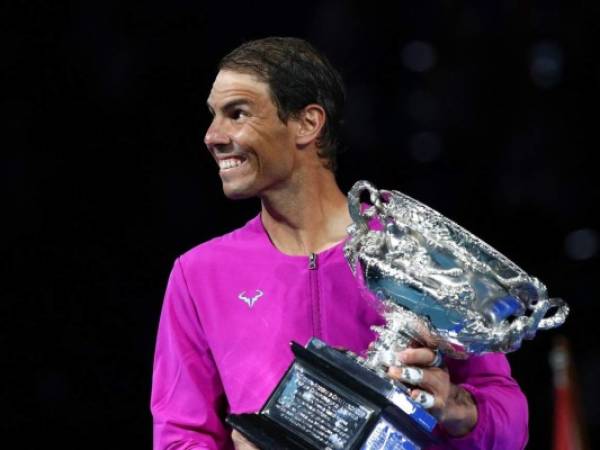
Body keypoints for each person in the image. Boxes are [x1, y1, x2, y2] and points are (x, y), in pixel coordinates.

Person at [151, 37, 528, 449]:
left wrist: (454, 407)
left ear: (308, 124)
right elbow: (179, 434)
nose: (212, 136)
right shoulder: (199, 274)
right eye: (214, 116)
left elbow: (511, 426)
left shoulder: (409, 247)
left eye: (237, 114)